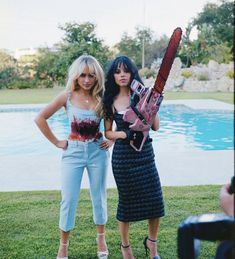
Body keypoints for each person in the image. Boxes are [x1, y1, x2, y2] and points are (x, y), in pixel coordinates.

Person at [35, 55, 112, 259]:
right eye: (83, 75)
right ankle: (63, 245)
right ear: (76, 76)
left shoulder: (103, 97)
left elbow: (114, 127)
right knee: (68, 200)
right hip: (73, 154)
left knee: (99, 196)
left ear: (98, 77)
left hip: (98, 152)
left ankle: (101, 237)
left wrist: (111, 140)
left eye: (91, 76)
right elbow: (40, 118)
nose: (87, 80)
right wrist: (57, 142)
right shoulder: (66, 97)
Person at [102, 56, 164, 259]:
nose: (122, 75)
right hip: (123, 159)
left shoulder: (141, 95)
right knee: (126, 202)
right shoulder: (109, 100)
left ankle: (152, 244)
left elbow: (155, 127)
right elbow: (108, 132)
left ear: (132, 73)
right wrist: (123, 135)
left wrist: (152, 103)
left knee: (155, 199)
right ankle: (125, 247)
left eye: (125, 71)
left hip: (145, 154)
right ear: (113, 75)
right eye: (118, 71)